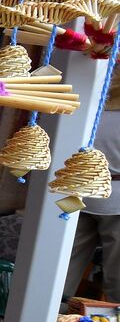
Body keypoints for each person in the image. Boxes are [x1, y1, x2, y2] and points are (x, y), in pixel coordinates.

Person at [66, 106, 120, 302]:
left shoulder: (89, 111)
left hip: (77, 194)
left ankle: (51, 314)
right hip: (113, 200)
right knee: (116, 275)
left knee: (65, 263)